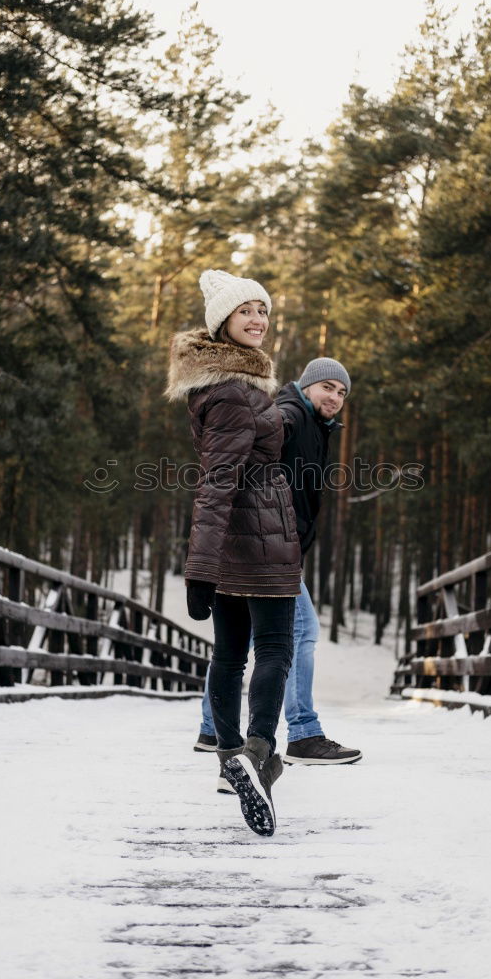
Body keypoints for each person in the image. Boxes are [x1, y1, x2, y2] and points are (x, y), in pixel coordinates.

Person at [165, 268, 302, 837]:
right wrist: (199, 567)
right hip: (260, 537)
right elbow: (217, 480)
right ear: (222, 322)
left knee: (229, 654)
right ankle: (257, 753)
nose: (258, 320)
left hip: (237, 542)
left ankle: (229, 758)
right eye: (245, 311)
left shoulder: (229, 385)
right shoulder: (234, 391)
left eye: (263, 311)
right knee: (272, 648)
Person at [195, 357, 362, 781]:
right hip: (267, 547)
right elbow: (241, 461)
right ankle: (302, 735)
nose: (335, 398)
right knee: (296, 634)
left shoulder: (313, 424)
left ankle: (213, 730)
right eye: (327, 387)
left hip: (269, 545)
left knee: (238, 646)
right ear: (306, 386)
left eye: (342, 392)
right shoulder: (289, 417)